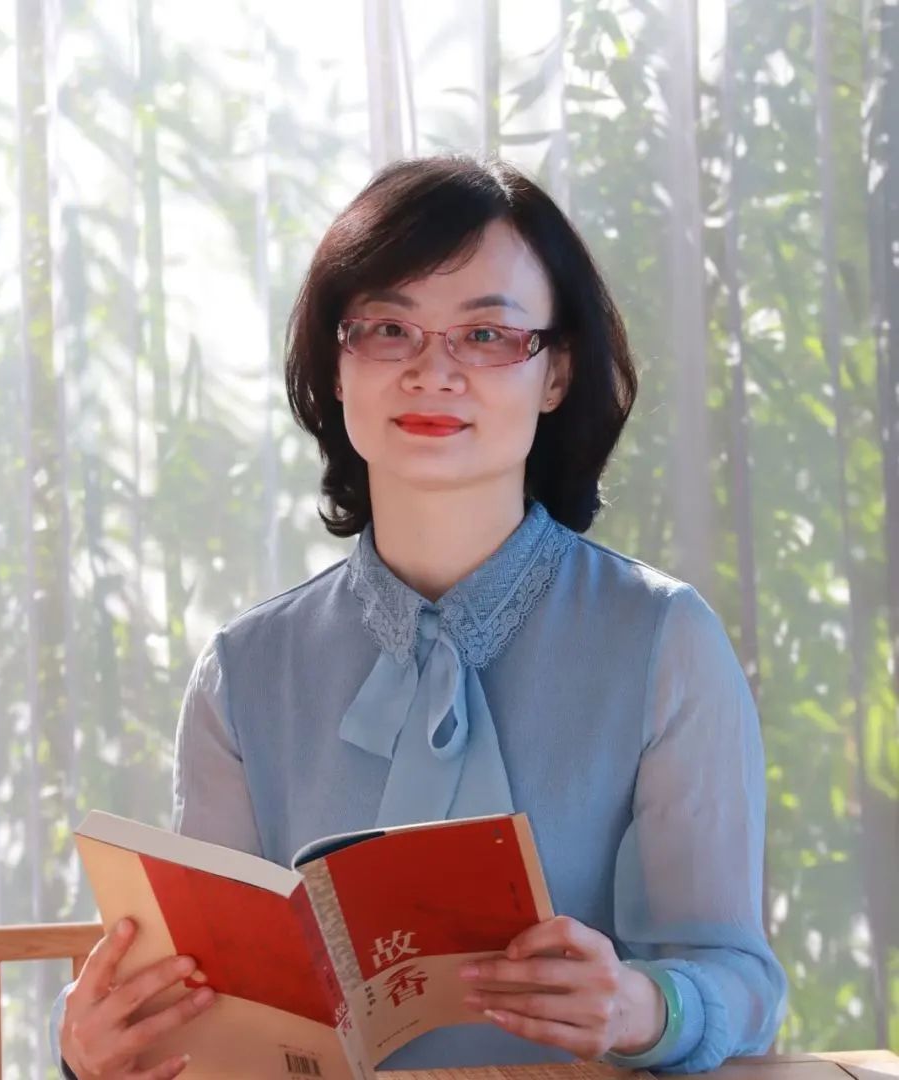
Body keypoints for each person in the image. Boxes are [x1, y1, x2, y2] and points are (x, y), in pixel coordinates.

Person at [52, 154, 787, 1078]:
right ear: (336, 364)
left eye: (486, 335)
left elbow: (740, 979)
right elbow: (210, 999)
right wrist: (89, 1046)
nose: (433, 371)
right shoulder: (245, 668)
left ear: (556, 373)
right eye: (389, 329)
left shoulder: (663, 639)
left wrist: (641, 1005)